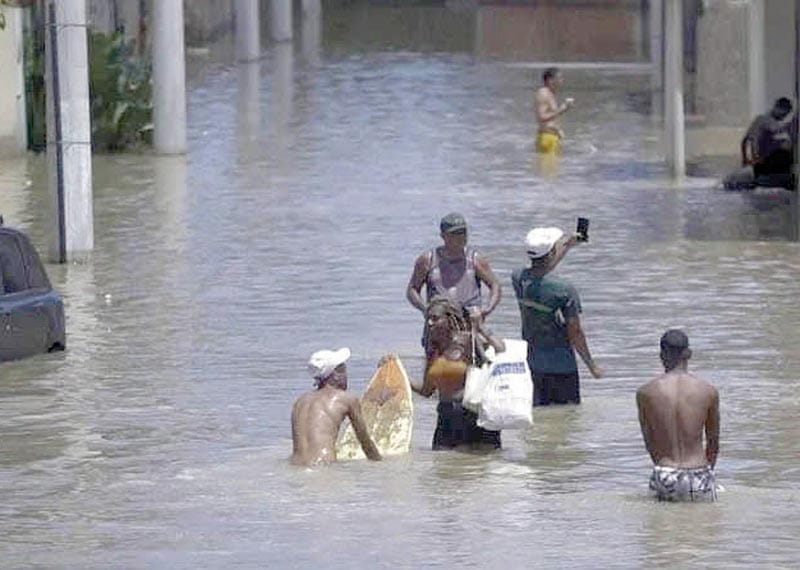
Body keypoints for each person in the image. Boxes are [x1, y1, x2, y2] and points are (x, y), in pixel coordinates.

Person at [511, 227, 602, 406]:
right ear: (552, 252)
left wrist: (567, 243)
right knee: (567, 417)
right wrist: (591, 366)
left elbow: (541, 268)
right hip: (562, 367)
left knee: (539, 415)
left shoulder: (518, 278)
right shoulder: (564, 290)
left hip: (533, 365)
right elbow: (575, 333)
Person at [636, 330, 720, 502]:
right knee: (705, 520)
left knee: (661, 520)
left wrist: (663, 468)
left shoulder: (645, 392)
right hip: (699, 470)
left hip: (665, 471)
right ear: (689, 354)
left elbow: (649, 440)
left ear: (661, 355)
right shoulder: (708, 391)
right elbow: (713, 442)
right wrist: (707, 472)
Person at [413, 296, 505, 451]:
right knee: (442, 462)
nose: (429, 323)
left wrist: (480, 326)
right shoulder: (433, 350)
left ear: (449, 319)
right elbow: (426, 390)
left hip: (474, 415)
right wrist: (397, 371)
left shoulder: (469, 341)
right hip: (446, 416)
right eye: (428, 318)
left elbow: (500, 349)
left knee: (481, 463)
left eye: (435, 318)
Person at [406, 212, 502, 352]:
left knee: (495, 348)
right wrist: (425, 309)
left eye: (463, 233)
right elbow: (412, 290)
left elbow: (495, 285)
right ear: (443, 236)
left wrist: (486, 310)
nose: (461, 237)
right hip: (439, 323)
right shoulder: (428, 260)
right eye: (455, 234)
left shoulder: (475, 259)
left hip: (470, 320)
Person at [291, 347, 382, 466]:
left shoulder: (300, 402)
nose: (346, 376)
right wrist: (383, 466)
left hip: (296, 466)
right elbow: (366, 444)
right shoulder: (346, 399)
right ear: (335, 374)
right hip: (324, 466)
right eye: (343, 370)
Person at [535, 67, 574, 155]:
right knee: (547, 163)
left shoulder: (550, 93)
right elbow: (541, 117)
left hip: (552, 137)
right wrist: (561, 109)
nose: (561, 80)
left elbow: (552, 118)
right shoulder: (543, 93)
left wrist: (558, 130)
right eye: (559, 78)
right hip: (547, 138)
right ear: (550, 80)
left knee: (554, 163)